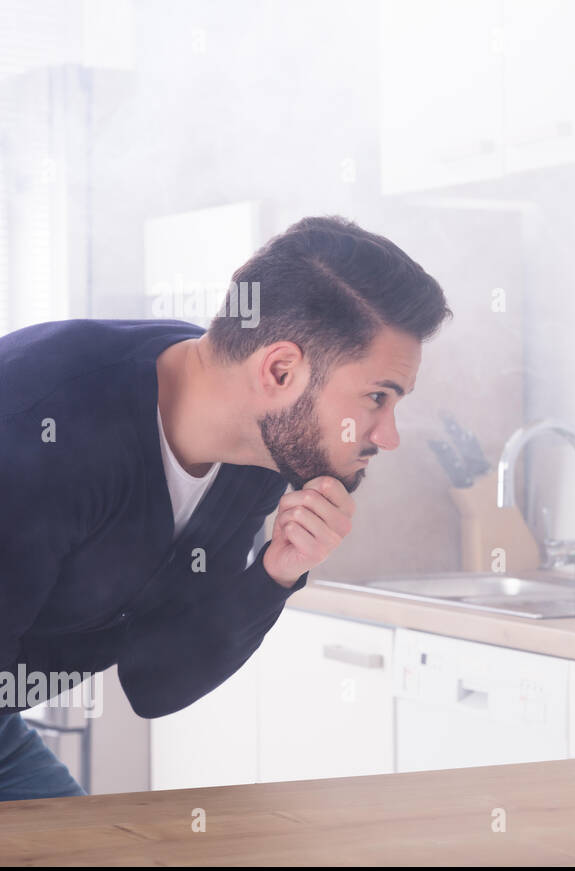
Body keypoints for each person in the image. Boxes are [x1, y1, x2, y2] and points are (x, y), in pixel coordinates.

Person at [0, 215, 451, 801]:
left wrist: (273, 575)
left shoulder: (255, 451)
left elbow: (155, 682)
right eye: (376, 398)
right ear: (280, 370)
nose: (387, 435)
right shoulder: (40, 421)